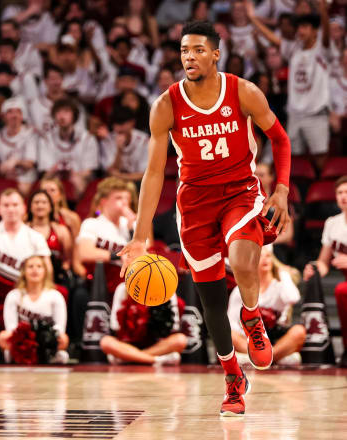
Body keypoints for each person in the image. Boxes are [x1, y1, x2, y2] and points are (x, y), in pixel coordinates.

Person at [118, 21, 291, 417]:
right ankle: (233, 376)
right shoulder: (166, 104)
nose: (189, 57)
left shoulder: (242, 91)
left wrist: (280, 190)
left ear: (216, 54)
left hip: (240, 193)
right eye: (183, 51)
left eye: (198, 50)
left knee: (245, 259)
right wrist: (140, 236)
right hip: (194, 204)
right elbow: (154, 172)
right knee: (210, 300)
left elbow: (280, 139)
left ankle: (251, 315)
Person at [247, 0, 332, 170]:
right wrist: (252, 18)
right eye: (299, 27)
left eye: (305, 27)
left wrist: (323, 10)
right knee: (294, 156)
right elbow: (273, 38)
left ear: (315, 31)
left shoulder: (322, 49)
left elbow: (327, 33)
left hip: (316, 113)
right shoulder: (294, 48)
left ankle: (320, 188)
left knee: (320, 155)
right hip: (295, 113)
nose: (300, 31)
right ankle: (299, 189)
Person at [228, 245, 305, 366]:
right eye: (260, 257)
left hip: (276, 337)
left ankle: (262, 358)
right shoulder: (241, 289)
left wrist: (283, 274)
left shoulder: (279, 285)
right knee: (227, 332)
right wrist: (246, 339)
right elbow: (231, 322)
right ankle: (270, 358)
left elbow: (293, 298)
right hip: (251, 339)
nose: (265, 259)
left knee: (299, 331)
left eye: (268, 256)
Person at [303, 176, 347, 366]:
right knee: (342, 291)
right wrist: (313, 269)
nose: (343, 196)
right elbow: (324, 261)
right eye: (339, 192)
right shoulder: (332, 223)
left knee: (342, 290)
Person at [0, 255, 69, 364]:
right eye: (30, 266)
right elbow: (11, 328)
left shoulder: (55, 295)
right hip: (23, 341)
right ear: (24, 272)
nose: (35, 269)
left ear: (45, 271)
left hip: (46, 341)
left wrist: (45, 338)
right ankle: (24, 356)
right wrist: (25, 339)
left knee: (64, 339)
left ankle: (48, 355)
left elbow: (59, 328)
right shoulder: (14, 295)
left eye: (39, 266)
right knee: (2, 337)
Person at [100, 282, 186, 366]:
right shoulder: (123, 288)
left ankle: (128, 358)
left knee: (180, 340)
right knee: (106, 342)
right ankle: (155, 360)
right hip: (128, 344)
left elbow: (173, 327)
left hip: (157, 345)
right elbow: (115, 326)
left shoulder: (168, 290)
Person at [38, 98, 99, 199]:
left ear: (74, 115)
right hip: (54, 177)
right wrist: (56, 169)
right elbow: (46, 170)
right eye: (58, 112)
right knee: (45, 182)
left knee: (78, 180)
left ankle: (77, 209)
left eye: (66, 112)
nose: (62, 116)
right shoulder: (46, 139)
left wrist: (73, 173)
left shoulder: (87, 138)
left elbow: (88, 171)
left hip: (78, 179)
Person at [26, 190, 73, 286]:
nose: (40, 206)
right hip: (28, 276)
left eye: (44, 202)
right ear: (30, 207)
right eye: (36, 202)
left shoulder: (61, 231)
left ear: (51, 207)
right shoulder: (24, 229)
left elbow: (68, 259)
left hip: (56, 277)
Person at [0, 97, 37, 195]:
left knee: (23, 188)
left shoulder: (30, 133)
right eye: (10, 112)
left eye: (18, 112)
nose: (14, 115)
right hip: (4, 177)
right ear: (3, 116)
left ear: (22, 116)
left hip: (26, 178)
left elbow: (30, 163)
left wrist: (15, 162)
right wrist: (3, 169)